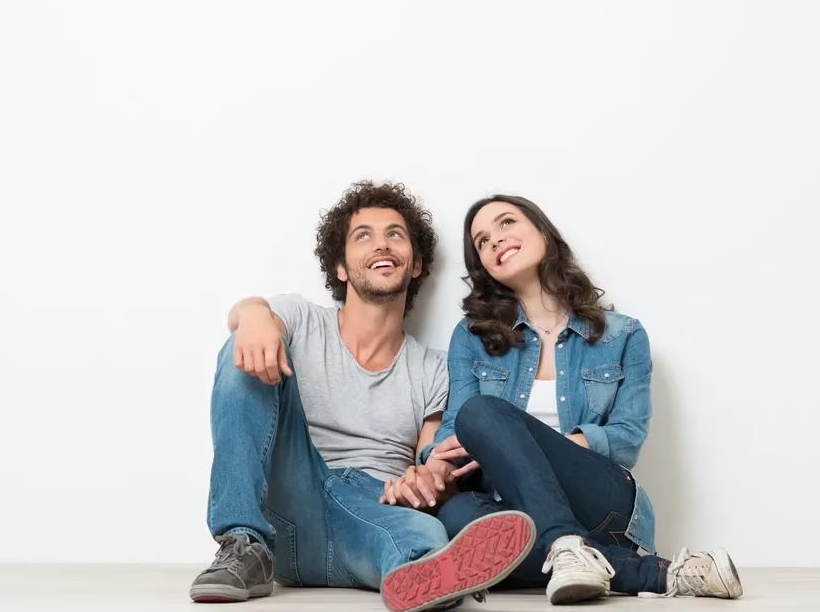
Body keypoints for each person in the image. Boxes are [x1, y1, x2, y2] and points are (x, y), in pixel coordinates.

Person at [189, 182, 535, 612]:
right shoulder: (301, 319)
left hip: (371, 516)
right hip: (289, 505)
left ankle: (428, 573)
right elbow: (246, 319)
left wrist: (428, 479)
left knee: (423, 535)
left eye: (395, 234)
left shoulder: (434, 369)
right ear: (340, 267)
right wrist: (254, 313)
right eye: (363, 236)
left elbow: (431, 458)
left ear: (415, 264)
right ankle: (241, 542)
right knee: (245, 349)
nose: (381, 245)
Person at [382, 194, 743, 604]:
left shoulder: (623, 334)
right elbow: (454, 431)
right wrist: (432, 467)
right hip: (511, 511)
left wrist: (516, 444)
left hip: (603, 504)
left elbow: (626, 438)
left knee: (482, 412)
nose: (494, 240)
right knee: (457, 516)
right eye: (481, 241)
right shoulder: (472, 337)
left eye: (506, 223)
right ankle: (650, 571)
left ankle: (566, 542)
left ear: (542, 231)